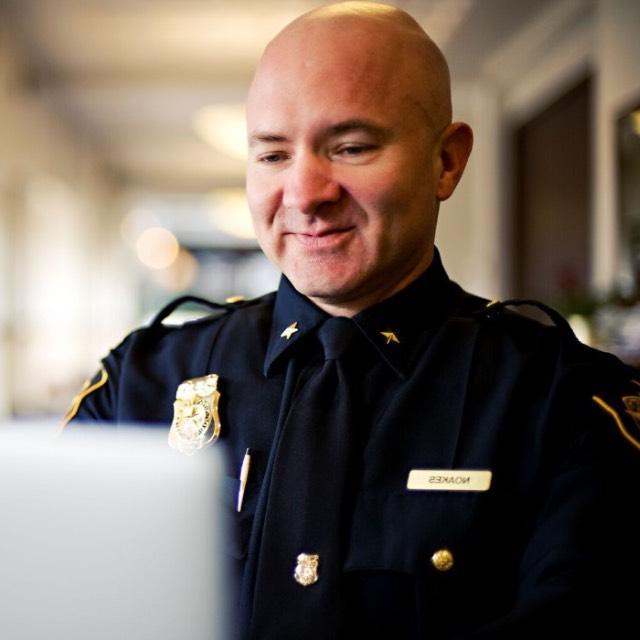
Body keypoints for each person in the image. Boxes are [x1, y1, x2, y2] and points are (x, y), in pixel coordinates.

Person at [64, 2, 640, 638]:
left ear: (446, 161)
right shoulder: (139, 385)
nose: (306, 193)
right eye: (273, 156)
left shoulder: (564, 404)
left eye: (352, 147)